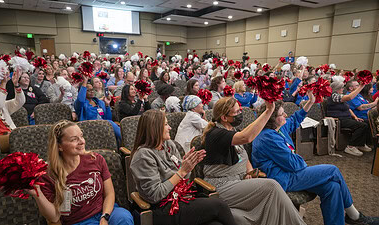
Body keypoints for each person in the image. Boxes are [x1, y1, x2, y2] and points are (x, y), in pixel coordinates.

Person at [252, 93, 379, 225]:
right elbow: (295, 165)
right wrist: (299, 159)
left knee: (332, 186)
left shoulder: (277, 127)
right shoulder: (268, 137)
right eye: (282, 114)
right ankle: (355, 216)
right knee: (333, 170)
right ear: (271, 119)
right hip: (282, 178)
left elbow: (295, 119)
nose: (285, 115)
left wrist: (310, 102)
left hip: (290, 171)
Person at [202, 97, 305, 225]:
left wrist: (250, 171)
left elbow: (244, 156)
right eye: (236, 112)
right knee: (271, 186)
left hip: (239, 181)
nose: (240, 114)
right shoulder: (216, 134)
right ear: (224, 117)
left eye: (240, 110)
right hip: (222, 185)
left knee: (272, 198)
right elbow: (247, 137)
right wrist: (268, 111)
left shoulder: (232, 130)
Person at [130, 110, 237, 225]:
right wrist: (182, 171)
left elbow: (183, 181)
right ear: (154, 128)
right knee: (220, 205)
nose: (170, 127)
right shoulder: (143, 156)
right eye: (166, 124)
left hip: (180, 197)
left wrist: (188, 167)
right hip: (161, 208)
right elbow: (155, 195)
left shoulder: (168, 145)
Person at [28, 120, 133, 225]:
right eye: (74, 139)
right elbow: (54, 218)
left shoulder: (96, 159)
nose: (82, 141)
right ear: (59, 146)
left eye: (81, 136)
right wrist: (37, 194)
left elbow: (109, 194)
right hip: (79, 221)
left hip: (105, 212)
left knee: (124, 217)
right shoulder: (49, 174)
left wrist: (105, 217)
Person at [326, 81, 372, 156]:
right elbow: (349, 97)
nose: (343, 89)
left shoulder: (340, 95)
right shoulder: (334, 96)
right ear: (336, 89)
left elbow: (348, 109)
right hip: (339, 119)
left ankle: (360, 144)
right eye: (341, 87)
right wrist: (361, 86)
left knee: (366, 122)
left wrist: (355, 117)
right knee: (362, 126)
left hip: (346, 118)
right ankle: (350, 146)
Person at [74, 76, 121, 145]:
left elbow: (107, 118)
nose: (91, 91)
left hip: (103, 127)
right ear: (83, 91)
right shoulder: (81, 104)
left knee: (110, 123)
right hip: (88, 128)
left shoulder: (99, 102)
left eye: (92, 89)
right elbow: (80, 99)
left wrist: (107, 105)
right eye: (88, 90)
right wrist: (84, 82)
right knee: (111, 124)